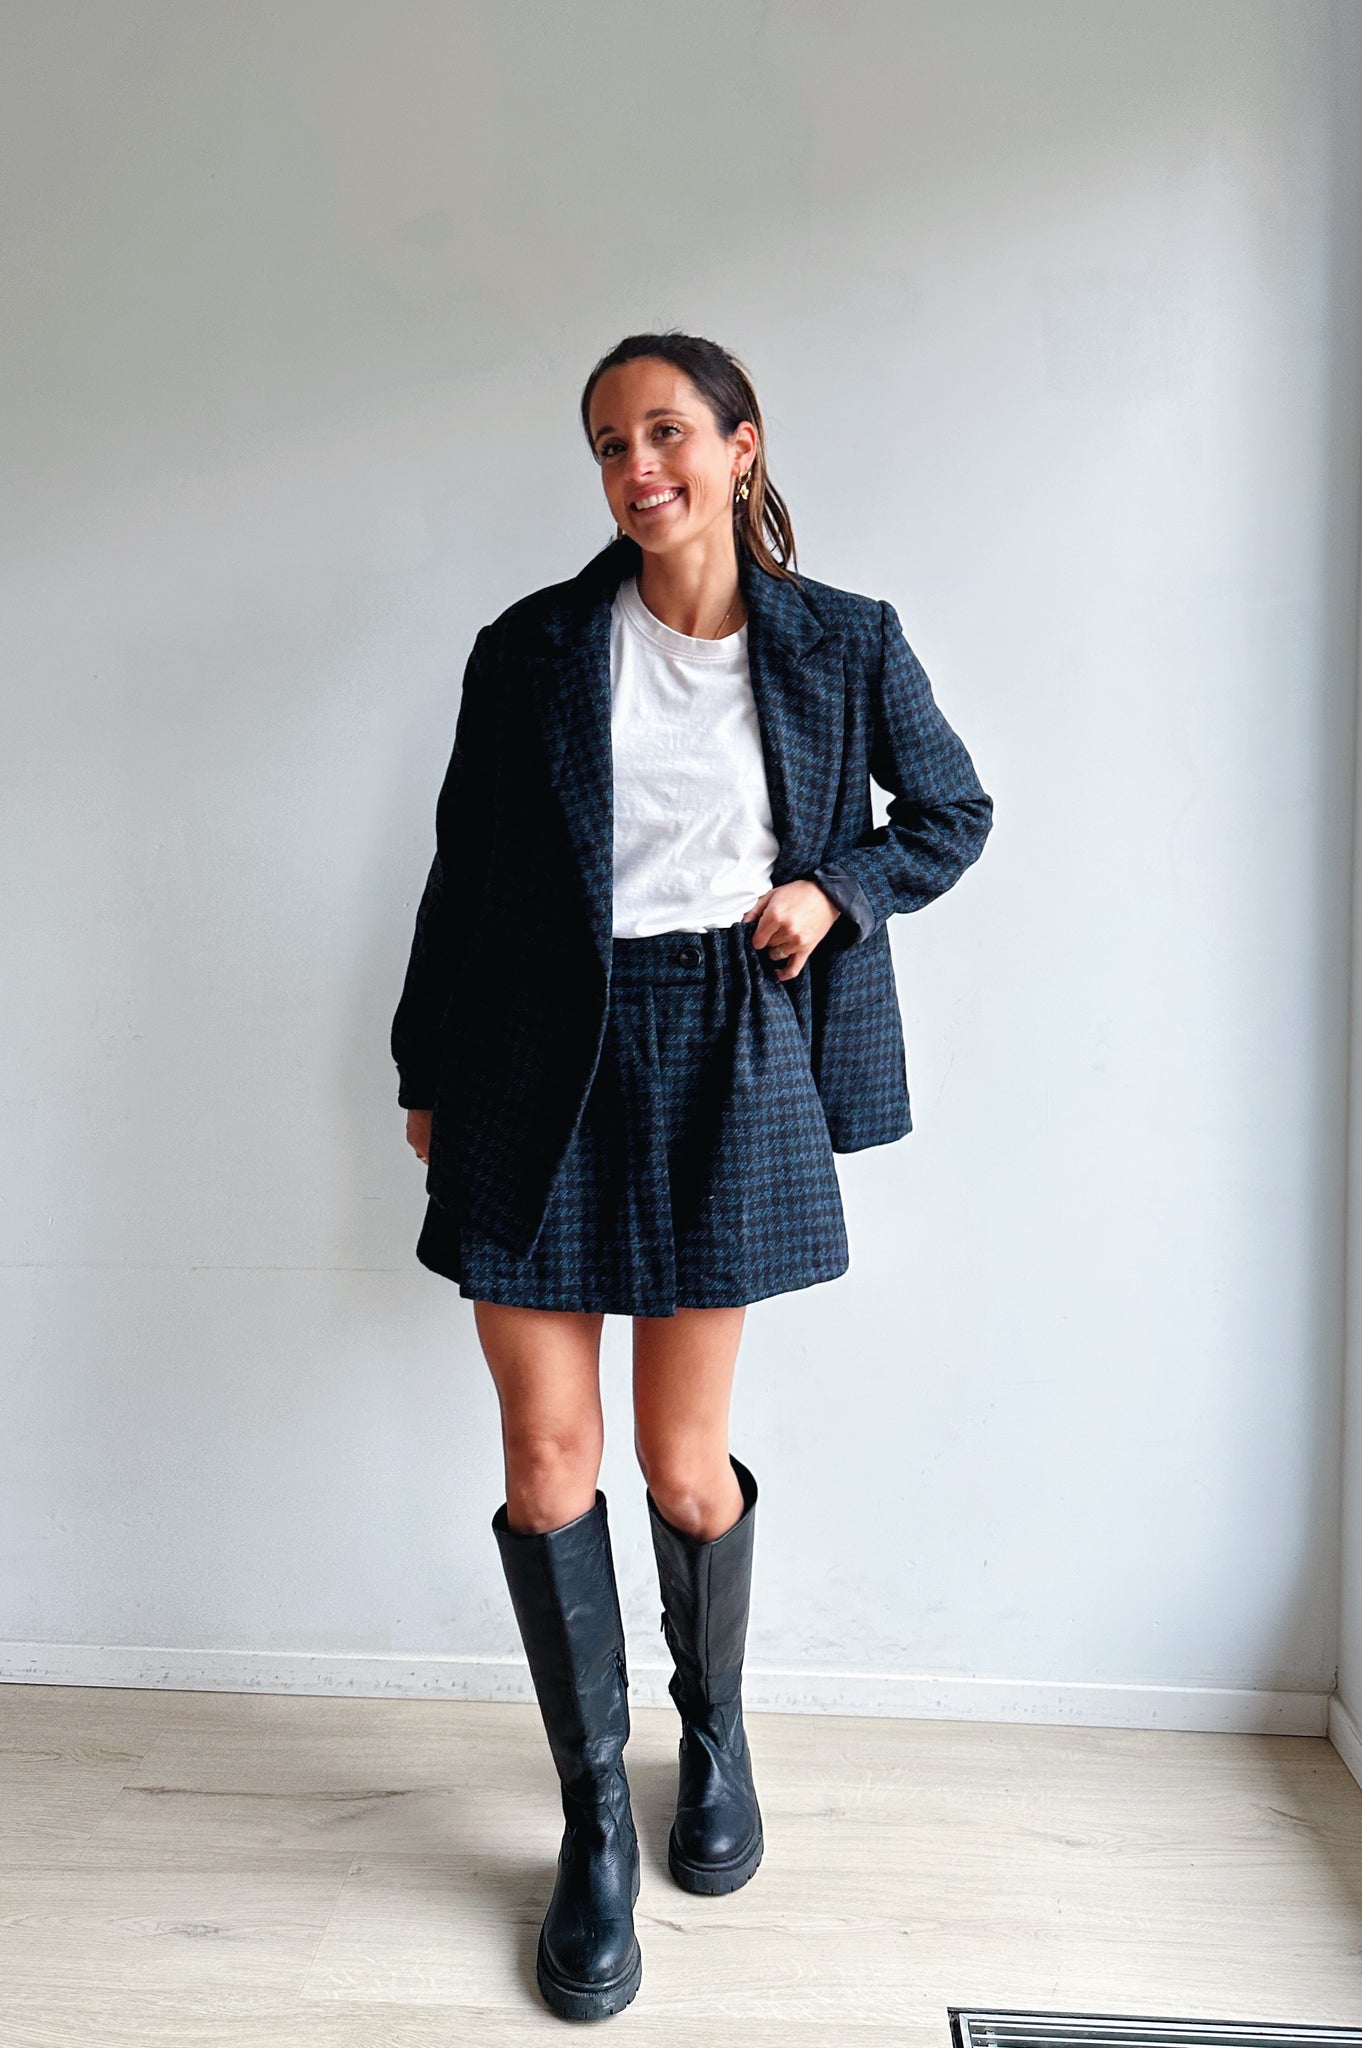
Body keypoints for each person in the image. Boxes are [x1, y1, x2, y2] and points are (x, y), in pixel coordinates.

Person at [390, 330, 993, 2022]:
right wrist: (424, 1069)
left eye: (664, 431)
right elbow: (462, 873)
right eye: (607, 443)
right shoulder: (529, 648)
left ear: (739, 446)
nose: (635, 467)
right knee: (546, 1460)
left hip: (726, 1045)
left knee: (679, 1463)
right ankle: (593, 1820)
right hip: (535, 1053)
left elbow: (947, 811)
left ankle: (709, 1733)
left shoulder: (843, 640)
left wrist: (832, 892)